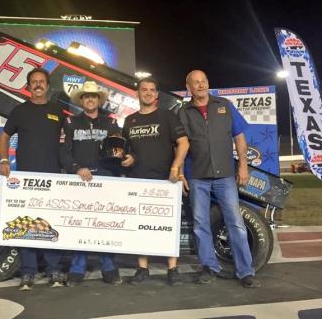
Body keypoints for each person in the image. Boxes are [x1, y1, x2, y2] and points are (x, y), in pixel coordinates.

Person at [178, 70, 260, 288]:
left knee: (235, 223)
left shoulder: (224, 105)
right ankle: (209, 268)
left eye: (203, 81)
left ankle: (245, 271)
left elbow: (239, 137)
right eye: (195, 83)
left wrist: (243, 165)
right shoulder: (183, 112)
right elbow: (181, 144)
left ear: (208, 83)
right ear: (189, 87)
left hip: (225, 175)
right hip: (197, 176)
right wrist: (179, 173)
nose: (200, 85)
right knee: (200, 224)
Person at [0, 67, 66, 291]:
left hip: (54, 177)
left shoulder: (58, 111)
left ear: (47, 85)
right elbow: (4, 137)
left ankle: (53, 269)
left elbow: (67, 142)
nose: (38, 85)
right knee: (27, 223)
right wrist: (4, 161)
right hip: (27, 179)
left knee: (50, 222)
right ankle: (28, 272)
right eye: (34, 82)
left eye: (41, 81)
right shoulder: (20, 111)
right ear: (28, 86)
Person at [121, 76, 189, 286]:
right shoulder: (129, 120)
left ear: (157, 94)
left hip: (166, 180)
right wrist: (128, 159)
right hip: (138, 180)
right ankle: (142, 268)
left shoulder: (167, 116)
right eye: (144, 90)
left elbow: (184, 143)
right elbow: (127, 151)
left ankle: (173, 269)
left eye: (152, 90)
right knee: (140, 225)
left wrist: (175, 168)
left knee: (168, 224)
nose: (148, 93)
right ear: (137, 93)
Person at [60, 81, 122, 286]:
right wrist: (77, 167)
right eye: (86, 96)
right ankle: (77, 268)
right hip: (80, 179)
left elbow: (118, 151)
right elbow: (63, 152)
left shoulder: (111, 123)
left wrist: (122, 160)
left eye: (93, 96)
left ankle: (109, 266)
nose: (90, 99)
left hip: (105, 178)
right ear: (81, 100)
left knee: (105, 222)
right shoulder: (70, 123)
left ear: (98, 100)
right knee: (80, 222)